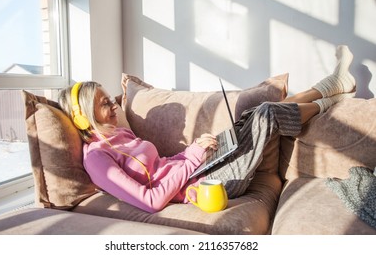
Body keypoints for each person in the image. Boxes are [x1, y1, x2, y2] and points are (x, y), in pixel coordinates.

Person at [58, 45, 356, 213]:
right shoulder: (97, 158)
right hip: (205, 184)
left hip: (202, 167)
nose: (112, 103)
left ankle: (334, 87)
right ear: (84, 118)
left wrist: (193, 150)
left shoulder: (118, 135)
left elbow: (164, 165)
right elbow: (151, 201)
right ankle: (332, 94)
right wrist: (191, 159)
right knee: (265, 114)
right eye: (102, 103)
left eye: (109, 97)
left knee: (256, 112)